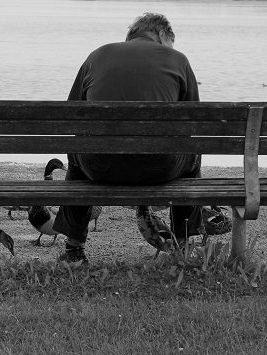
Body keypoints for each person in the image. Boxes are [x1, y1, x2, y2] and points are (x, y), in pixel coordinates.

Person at [53, 12, 202, 263]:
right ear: (162, 35)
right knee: (193, 152)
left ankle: (74, 247)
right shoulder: (179, 60)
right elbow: (194, 122)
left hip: (99, 167)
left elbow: (72, 115)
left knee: (78, 149)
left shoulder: (97, 55)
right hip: (160, 167)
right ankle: (183, 244)